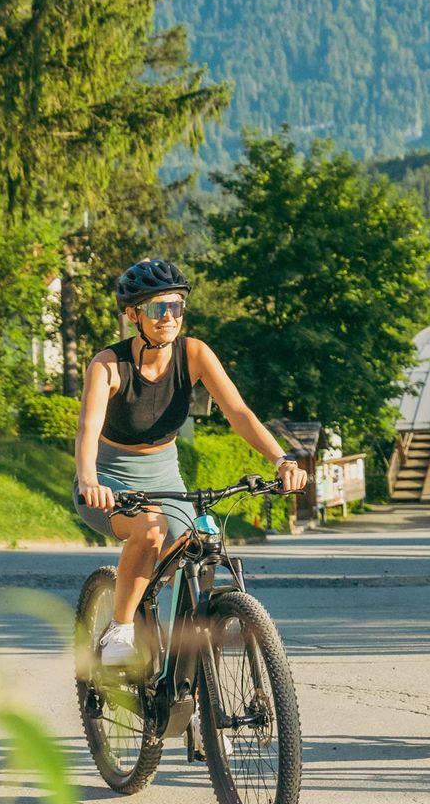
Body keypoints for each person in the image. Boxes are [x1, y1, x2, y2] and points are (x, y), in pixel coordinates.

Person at [74, 258, 305, 665]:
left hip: (165, 476)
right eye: (157, 308)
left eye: (176, 306)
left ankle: (191, 678)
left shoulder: (194, 353)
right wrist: (90, 480)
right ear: (133, 315)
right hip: (110, 479)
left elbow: (239, 413)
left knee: (201, 548)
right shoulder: (108, 365)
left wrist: (282, 459)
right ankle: (120, 629)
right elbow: (88, 428)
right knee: (149, 529)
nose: (169, 316)